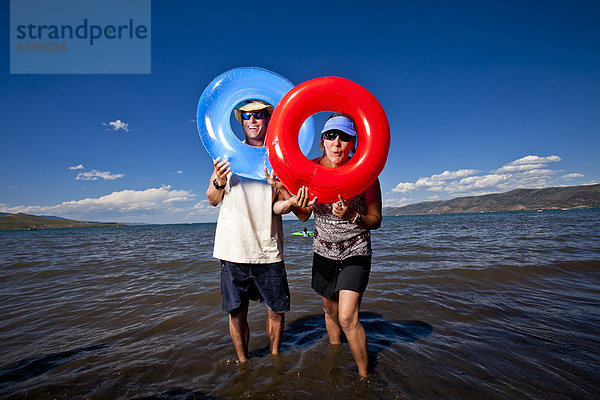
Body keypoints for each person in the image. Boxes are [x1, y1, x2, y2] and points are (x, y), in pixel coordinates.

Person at [273, 113, 382, 377]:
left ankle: (365, 376)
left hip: (355, 249)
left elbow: (375, 220)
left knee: (347, 316)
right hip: (323, 251)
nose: (337, 143)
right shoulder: (308, 171)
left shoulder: (365, 174)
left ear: (353, 142)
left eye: (344, 137)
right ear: (322, 140)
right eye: (331, 135)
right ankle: (334, 356)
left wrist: (351, 216)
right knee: (330, 310)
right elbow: (304, 216)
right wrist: (285, 191)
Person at [207, 99, 292, 363]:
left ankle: (276, 359)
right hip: (233, 250)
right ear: (240, 121)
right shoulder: (226, 156)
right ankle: (244, 365)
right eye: (246, 116)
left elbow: (280, 205)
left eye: (258, 115)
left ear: (267, 119)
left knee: (277, 312)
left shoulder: (278, 158)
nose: (252, 121)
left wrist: (285, 196)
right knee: (236, 313)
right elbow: (212, 198)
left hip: (268, 250)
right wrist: (219, 181)